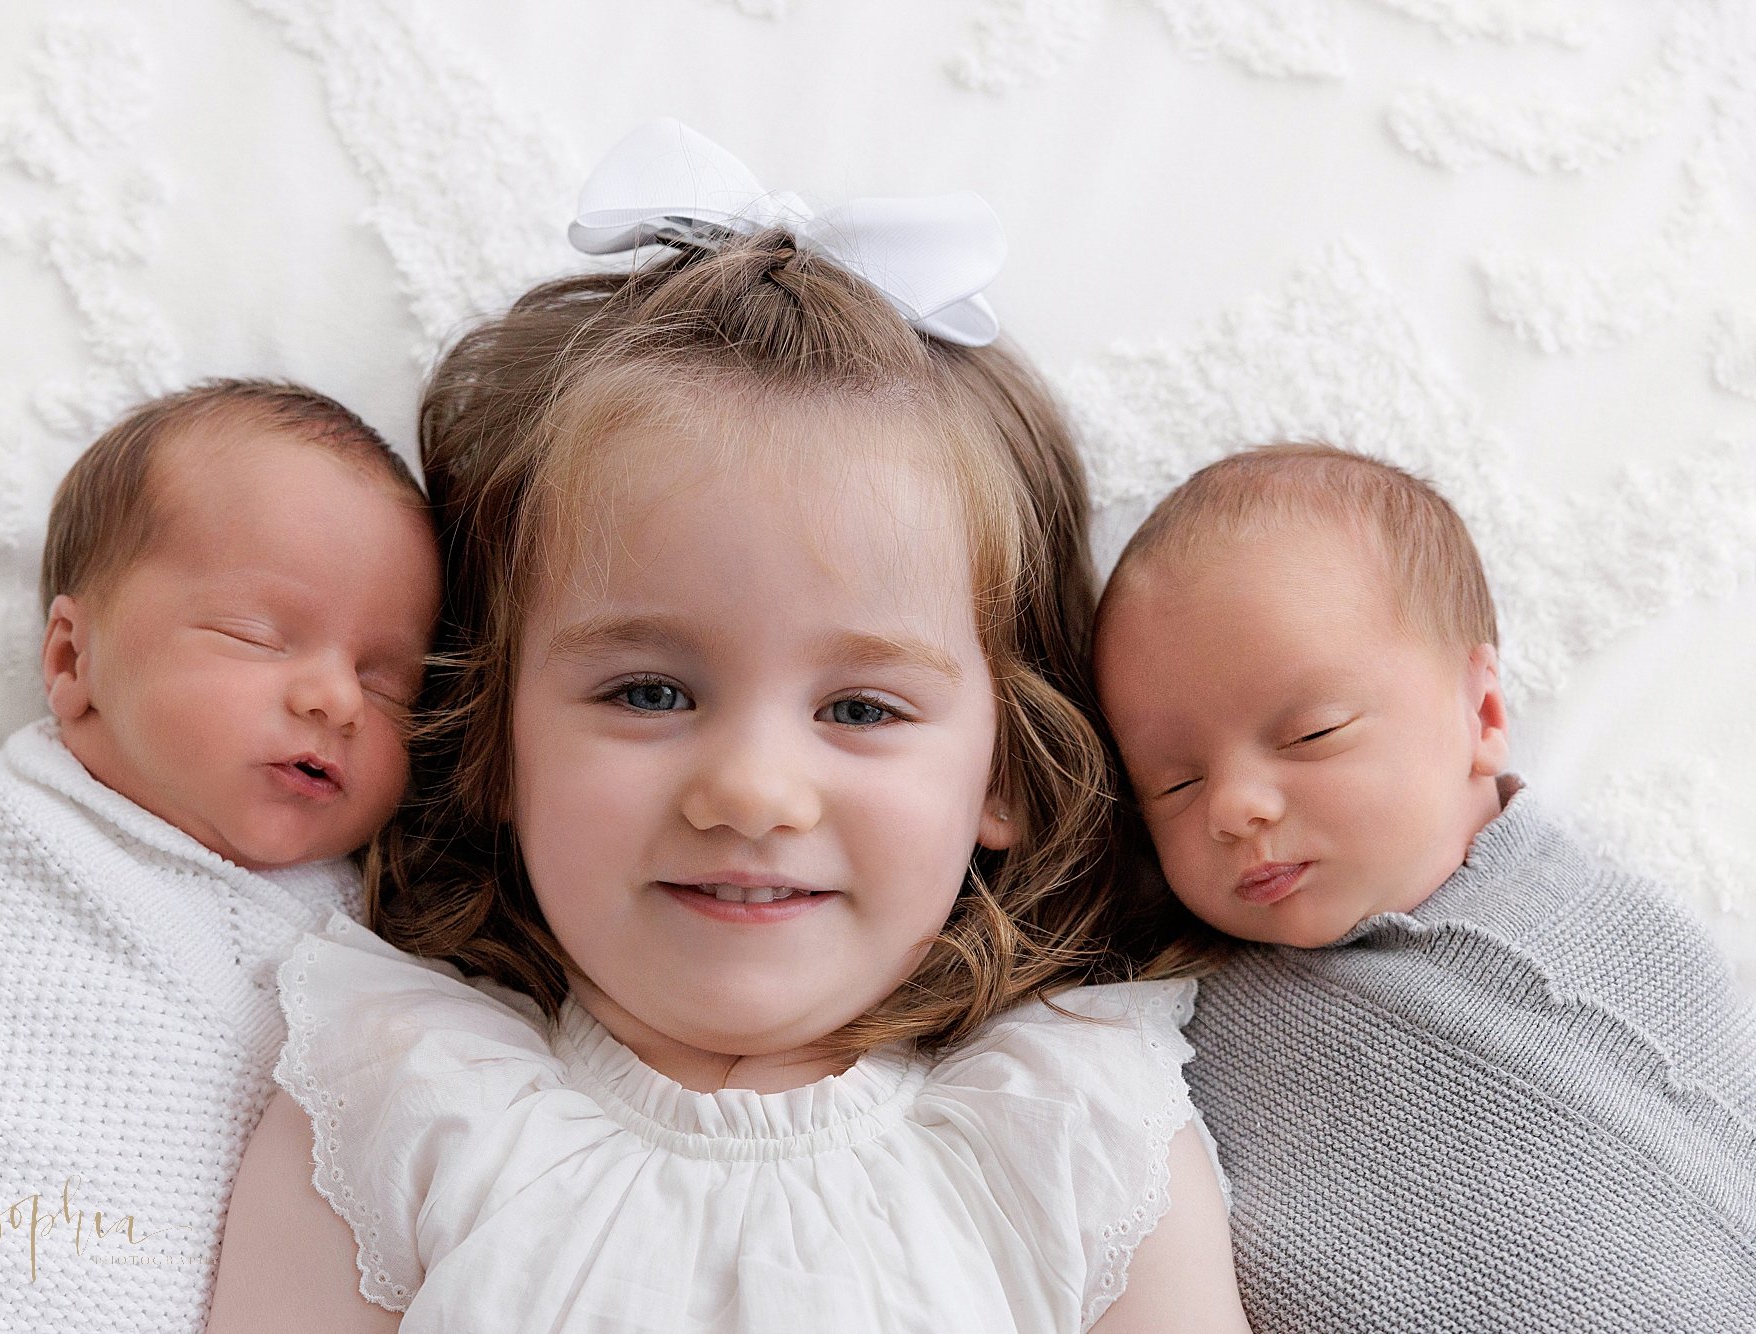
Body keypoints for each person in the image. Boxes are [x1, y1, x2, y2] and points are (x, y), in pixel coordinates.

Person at [207, 120, 1247, 1334]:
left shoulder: (1075, 1128)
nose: (751, 790)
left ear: (1004, 771)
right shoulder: (394, 1091)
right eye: (649, 691)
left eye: (860, 707)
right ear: (493, 735)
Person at [0, 379, 440, 1334]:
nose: (337, 699)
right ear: (73, 662)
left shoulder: (373, 940)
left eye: (389, 681)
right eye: (257, 636)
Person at [1091, 442, 1756, 1332]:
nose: (1234, 808)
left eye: (1312, 734)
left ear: (1482, 716)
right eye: (1171, 784)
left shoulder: (1622, 930)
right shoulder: (1168, 1026)